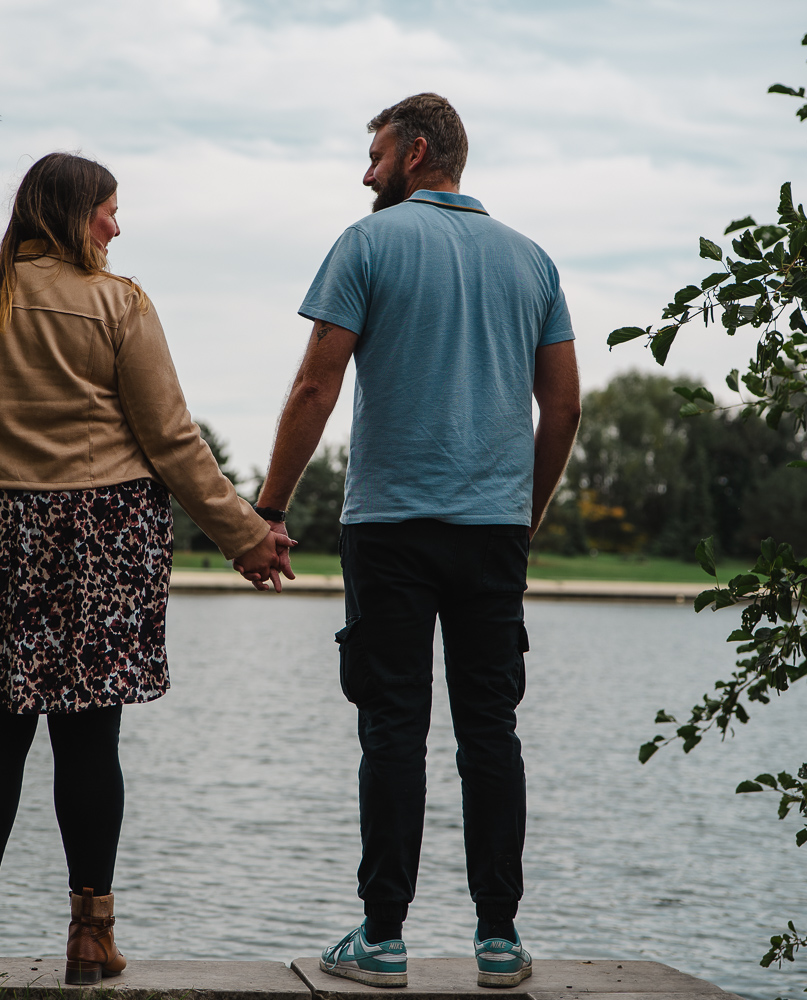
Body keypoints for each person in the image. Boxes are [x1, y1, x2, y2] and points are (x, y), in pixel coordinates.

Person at [0, 152, 293, 985]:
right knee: (89, 738)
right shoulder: (119, 305)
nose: (117, 225)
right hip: (98, 536)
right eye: (109, 210)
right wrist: (243, 532)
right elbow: (170, 441)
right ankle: (92, 938)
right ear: (75, 216)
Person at [249, 94, 582, 988]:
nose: (366, 173)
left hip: (390, 529)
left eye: (376, 154)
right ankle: (501, 941)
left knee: (392, 727)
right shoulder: (533, 261)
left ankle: (384, 940)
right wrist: (529, 510)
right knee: (491, 732)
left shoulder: (369, 243)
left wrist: (269, 508)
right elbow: (566, 405)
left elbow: (316, 386)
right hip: (492, 535)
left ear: (418, 150)